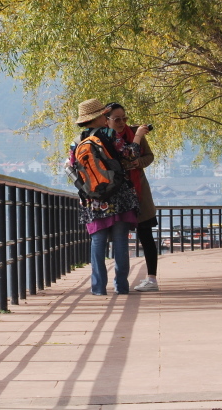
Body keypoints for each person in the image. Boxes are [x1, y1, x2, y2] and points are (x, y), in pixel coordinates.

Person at [71, 98, 141, 296]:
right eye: (104, 114)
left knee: (97, 241)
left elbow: (72, 168)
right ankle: (121, 286)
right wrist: (137, 138)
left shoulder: (77, 141)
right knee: (120, 240)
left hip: (93, 199)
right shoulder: (110, 135)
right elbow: (129, 155)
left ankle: (98, 288)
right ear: (99, 117)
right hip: (118, 195)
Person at [105, 102, 159, 292]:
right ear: (107, 120)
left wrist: (137, 163)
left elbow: (149, 156)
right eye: (117, 119)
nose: (121, 123)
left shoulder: (135, 133)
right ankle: (119, 281)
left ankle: (152, 278)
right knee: (118, 235)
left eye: (124, 118)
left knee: (146, 234)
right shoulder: (106, 138)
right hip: (118, 194)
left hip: (139, 190)